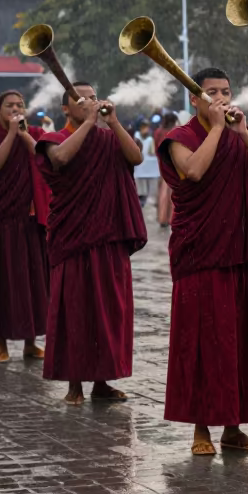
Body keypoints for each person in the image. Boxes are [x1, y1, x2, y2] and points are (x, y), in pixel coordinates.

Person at [158, 68, 248, 456]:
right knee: (201, 343)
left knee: (238, 343)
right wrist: (215, 129)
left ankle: (232, 427)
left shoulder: (243, 135)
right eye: (211, 93)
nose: (221, 99)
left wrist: (243, 134)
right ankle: (200, 429)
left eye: (225, 92)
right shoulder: (180, 138)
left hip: (240, 255)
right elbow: (192, 171)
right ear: (194, 99)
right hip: (202, 256)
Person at [36, 83, 146, 405]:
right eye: (80, 99)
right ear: (66, 110)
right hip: (74, 239)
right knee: (75, 310)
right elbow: (60, 159)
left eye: (92, 97)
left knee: (108, 312)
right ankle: (75, 385)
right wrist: (87, 123)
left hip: (108, 237)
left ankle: (101, 381)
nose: (89, 102)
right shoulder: (53, 139)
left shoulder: (109, 137)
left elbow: (136, 157)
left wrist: (111, 122)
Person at [0, 91, 50, 363]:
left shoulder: (33, 132)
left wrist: (23, 134)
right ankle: (0, 344)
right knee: (0, 282)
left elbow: (45, 159)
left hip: (29, 218)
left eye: (20, 105)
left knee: (32, 283)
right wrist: (12, 133)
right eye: (9, 106)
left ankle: (30, 342)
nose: (16, 109)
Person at [153, 112, 179, 228]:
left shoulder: (158, 131)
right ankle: (171, 218)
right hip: (175, 164)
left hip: (163, 163)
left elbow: (156, 148)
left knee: (163, 191)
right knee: (174, 191)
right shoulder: (177, 130)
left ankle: (162, 218)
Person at [134, 121, 160, 209]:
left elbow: (152, 151)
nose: (146, 130)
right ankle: (142, 197)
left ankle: (145, 197)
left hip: (144, 164)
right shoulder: (137, 137)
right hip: (139, 163)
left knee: (146, 182)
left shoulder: (149, 139)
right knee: (140, 182)